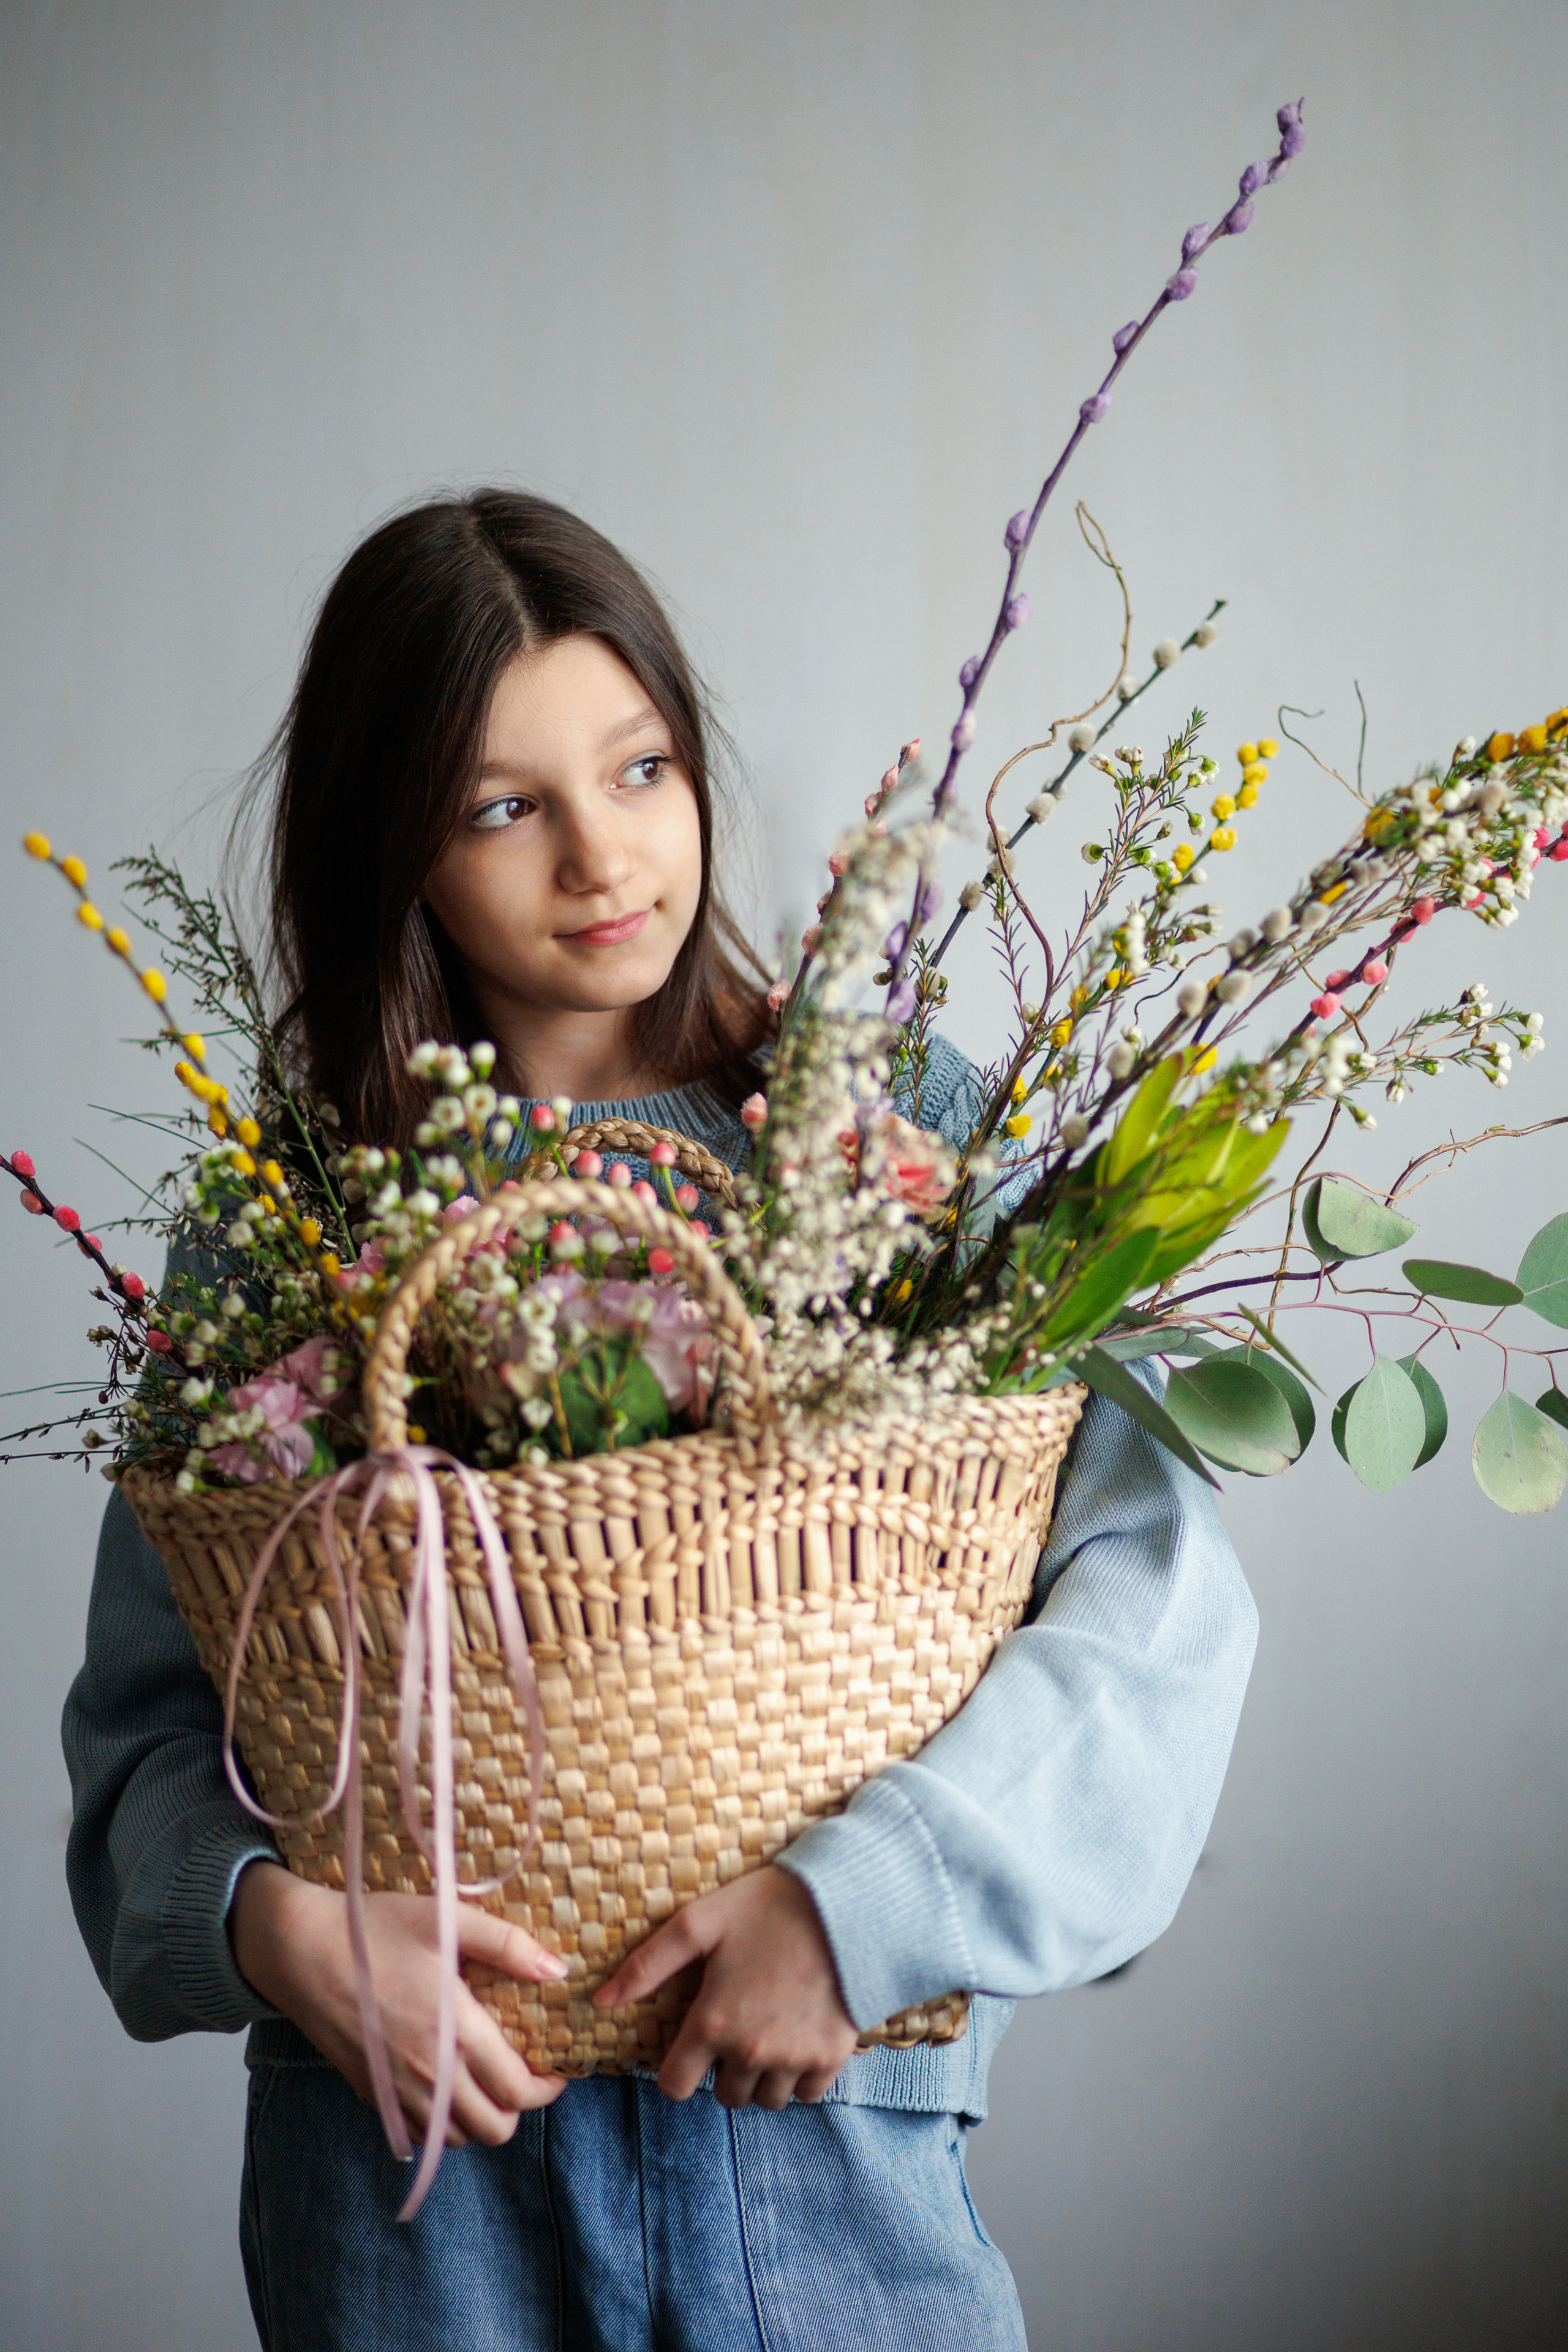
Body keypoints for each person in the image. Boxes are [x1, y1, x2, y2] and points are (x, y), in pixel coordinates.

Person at [62, 490, 1258, 2352]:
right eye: (502, 805)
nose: (604, 855)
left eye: (639, 766)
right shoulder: (287, 1236)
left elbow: (1160, 1608)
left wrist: (864, 1906)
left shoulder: (892, 1145)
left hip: (815, 2150)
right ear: (397, 847)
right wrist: (271, 1930)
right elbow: (147, 1719)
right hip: (412, 2183)